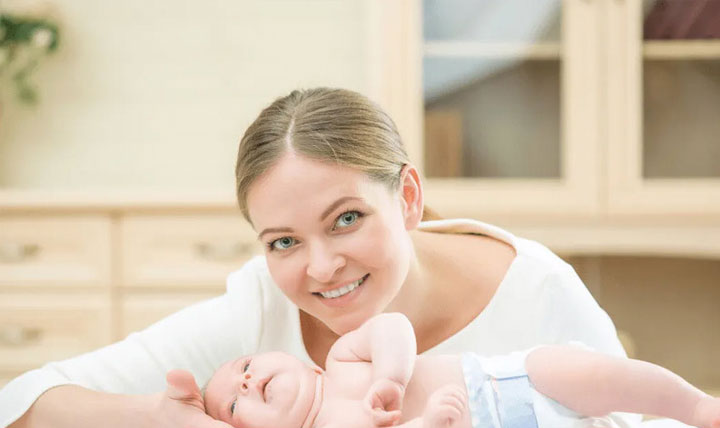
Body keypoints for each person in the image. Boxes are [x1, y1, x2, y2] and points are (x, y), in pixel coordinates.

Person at [2, 87, 642, 428]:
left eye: (346, 220)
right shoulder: (257, 315)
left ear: (409, 197)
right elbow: (24, 402)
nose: (320, 267)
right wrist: (157, 418)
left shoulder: (536, 292)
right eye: (284, 241)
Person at [201, 312, 720, 428]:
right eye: (232, 403)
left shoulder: (340, 361)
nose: (246, 381)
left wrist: (393, 376)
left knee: (599, 374)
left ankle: (693, 405)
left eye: (244, 366)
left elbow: (394, 327)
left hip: (511, 380)